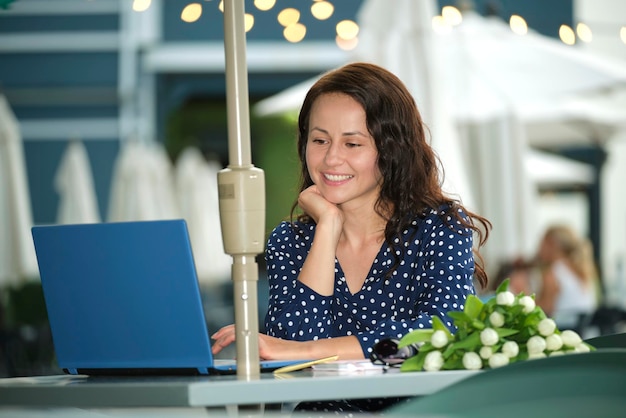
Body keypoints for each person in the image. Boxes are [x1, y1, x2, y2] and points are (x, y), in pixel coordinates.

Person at [211, 62, 491, 412]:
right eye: (320, 140)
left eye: (352, 143)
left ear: (391, 150)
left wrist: (307, 353)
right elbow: (295, 358)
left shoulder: (439, 229)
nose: (331, 158)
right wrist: (327, 226)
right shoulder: (291, 240)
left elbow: (441, 336)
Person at [534, 224, 599, 331]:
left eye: (542, 243)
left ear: (552, 244)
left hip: (563, 334)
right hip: (585, 334)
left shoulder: (553, 273)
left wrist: (523, 296)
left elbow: (543, 312)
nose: (539, 248)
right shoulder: (582, 270)